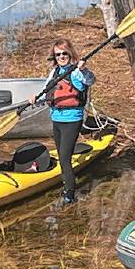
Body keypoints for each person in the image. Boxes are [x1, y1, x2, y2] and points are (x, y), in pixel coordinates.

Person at [29, 38, 95, 204]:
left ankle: (69, 195)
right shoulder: (54, 72)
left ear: (70, 53)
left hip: (72, 119)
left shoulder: (76, 72)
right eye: (58, 54)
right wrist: (36, 99)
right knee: (61, 155)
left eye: (64, 53)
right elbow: (47, 91)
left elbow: (90, 80)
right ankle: (67, 182)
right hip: (56, 118)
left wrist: (83, 69)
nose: (61, 56)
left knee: (65, 159)